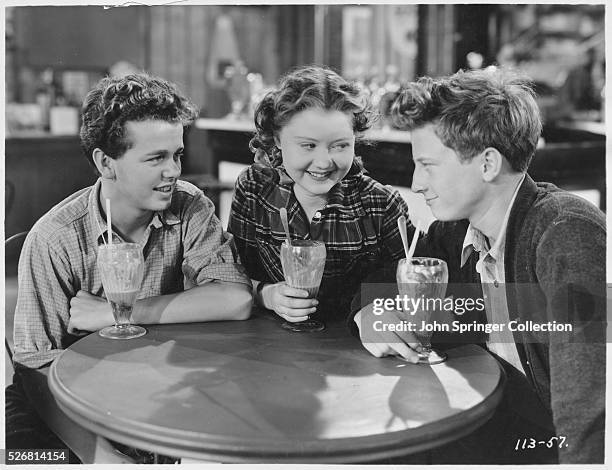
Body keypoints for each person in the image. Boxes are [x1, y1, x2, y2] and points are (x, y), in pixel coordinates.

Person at [351, 67, 605, 464]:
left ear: (488, 164)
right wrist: (371, 314)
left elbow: (590, 411)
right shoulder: (452, 234)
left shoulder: (565, 233)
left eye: (428, 164)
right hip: (493, 425)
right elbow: (381, 281)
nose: (416, 182)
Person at [8, 73, 253, 458]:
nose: (173, 171)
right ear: (106, 163)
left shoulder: (190, 207)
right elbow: (34, 367)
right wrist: (101, 455)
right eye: (156, 158)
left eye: (177, 154)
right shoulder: (55, 238)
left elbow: (235, 300)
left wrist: (115, 314)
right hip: (62, 402)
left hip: (148, 385)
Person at [228, 65, 413, 324]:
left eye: (340, 145)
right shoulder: (253, 189)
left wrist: (372, 311)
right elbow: (233, 274)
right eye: (308, 146)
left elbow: (414, 289)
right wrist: (266, 294)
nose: (324, 162)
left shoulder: (381, 204)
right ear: (278, 140)